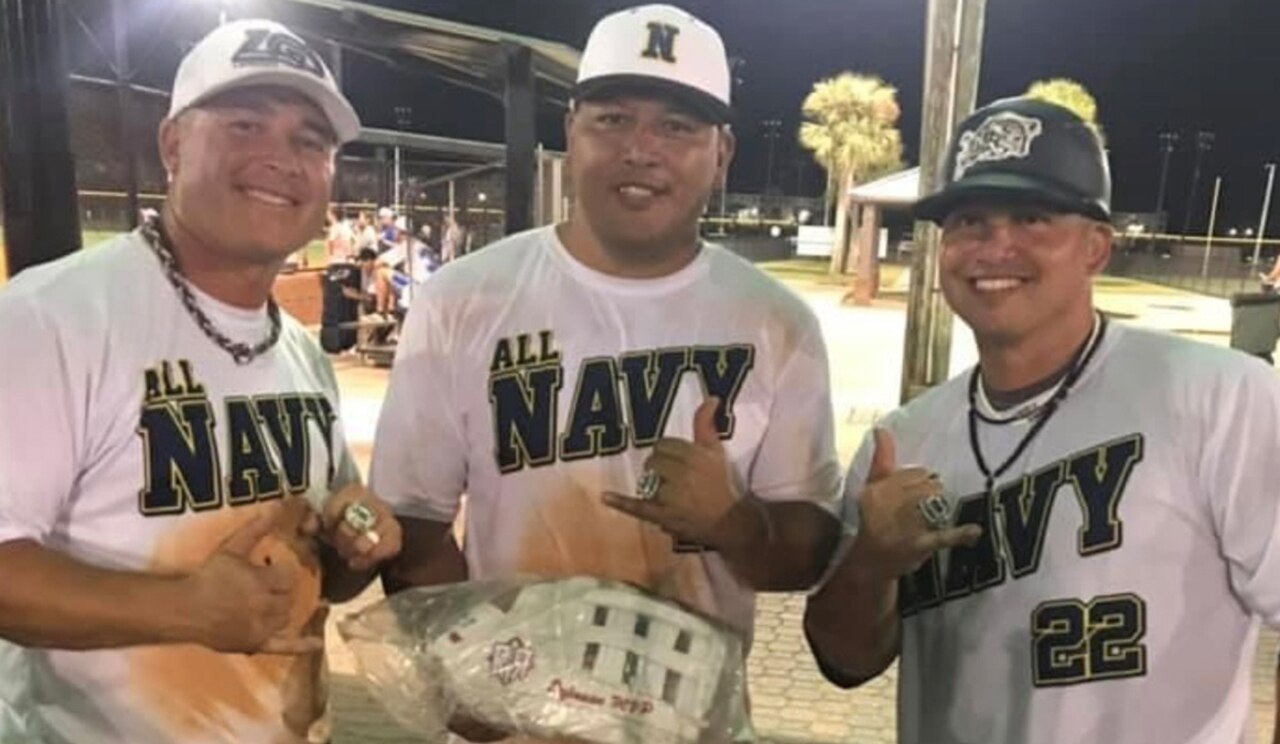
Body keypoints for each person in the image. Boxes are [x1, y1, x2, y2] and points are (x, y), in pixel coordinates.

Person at [370, 4, 842, 739]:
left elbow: (806, 552)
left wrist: (736, 524)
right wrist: (477, 693)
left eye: (677, 127)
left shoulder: (778, 324)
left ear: (721, 153)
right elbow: (415, 527)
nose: (641, 150)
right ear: (572, 132)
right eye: (613, 119)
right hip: (518, 725)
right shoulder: (462, 300)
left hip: (691, 724)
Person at [804, 97, 1280, 744]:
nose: (995, 246)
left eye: (1031, 218)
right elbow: (846, 661)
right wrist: (869, 563)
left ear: (1096, 247)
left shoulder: (1222, 398)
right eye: (969, 221)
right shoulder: (905, 439)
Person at [0, 19, 401, 744]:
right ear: (173, 144)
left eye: (311, 141)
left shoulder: (300, 353)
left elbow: (322, 576)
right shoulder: (53, 317)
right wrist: (184, 607)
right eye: (246, 124)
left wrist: (355, 540)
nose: (282, 158)